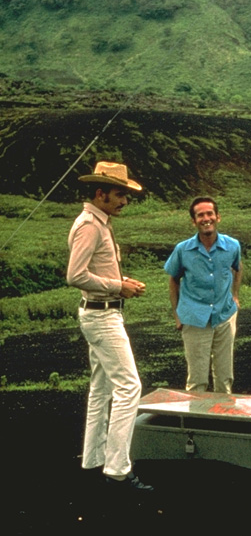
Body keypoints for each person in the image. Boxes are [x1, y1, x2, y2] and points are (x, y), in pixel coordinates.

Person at [67, 161, 153, 492]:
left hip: (101, 311)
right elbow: (75, 275)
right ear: (100, 193)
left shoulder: (98, 222)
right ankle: (117, 469)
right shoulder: (90, 225)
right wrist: (118, 287)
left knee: (101, 388)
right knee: (129, 388)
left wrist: (119, 281)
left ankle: (92, 459)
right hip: (102, 316)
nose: (124, 201)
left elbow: (93, 272)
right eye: (120, 195)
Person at [164, 196, 242, 394]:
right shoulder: (183, 250)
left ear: (218, 217)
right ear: (194, 221)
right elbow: (174, 279)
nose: (206, 218)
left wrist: (235, 296)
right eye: (200, 215)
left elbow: (237, 268)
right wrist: (177, 314)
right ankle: (196, 423)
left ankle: (223, 421)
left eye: (210, 214)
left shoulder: (232, 246)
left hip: (224, 315)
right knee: (197, 380)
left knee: (225, 378)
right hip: (194, 317)